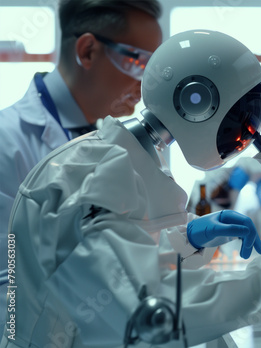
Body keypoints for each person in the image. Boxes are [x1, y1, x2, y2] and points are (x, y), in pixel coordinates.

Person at [0, 30, 261, 347]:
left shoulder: (120, 157)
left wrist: (185, 240)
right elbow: (146, 309)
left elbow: (106, 264)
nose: (244, 137)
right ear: (195, 101)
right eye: (240, 121)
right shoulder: (88, 173)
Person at [0, 0, 163, 332]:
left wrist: (186, 238)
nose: (146, 86)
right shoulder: (7, 144)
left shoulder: (107, 140)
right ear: (88, 50)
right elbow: (10, 287)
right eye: (137, 61)